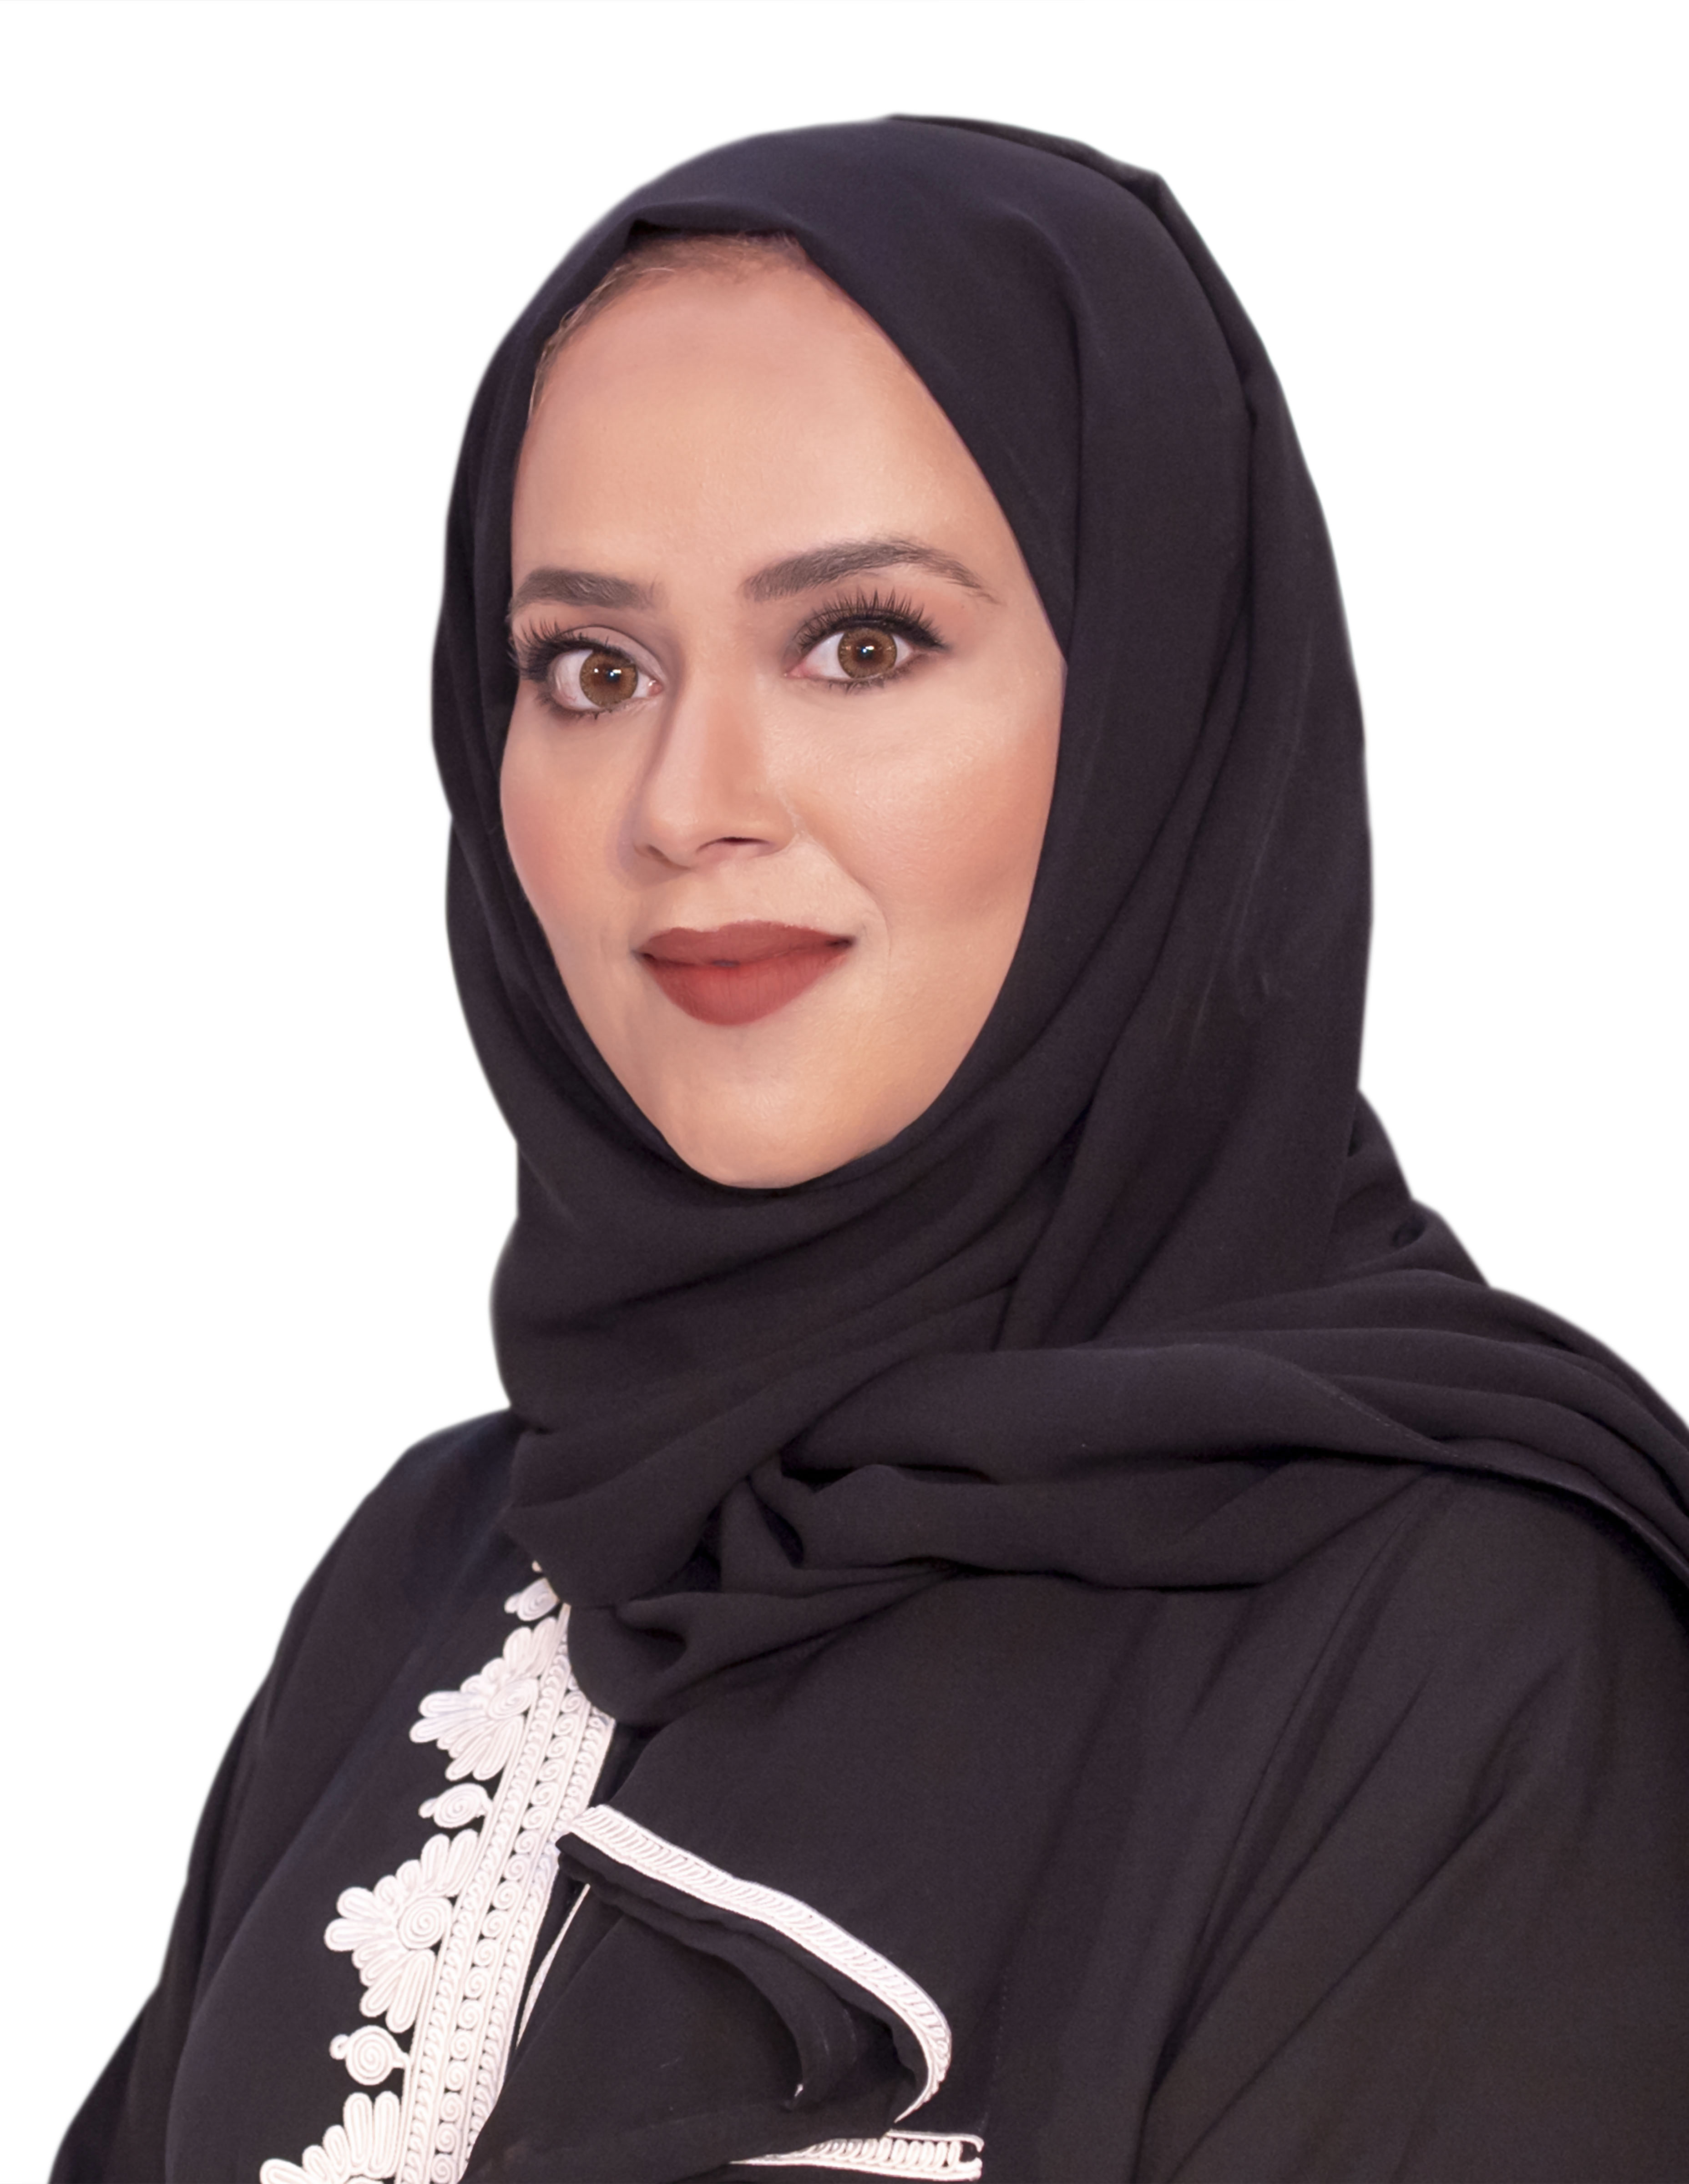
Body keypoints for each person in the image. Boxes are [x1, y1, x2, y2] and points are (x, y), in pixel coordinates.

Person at [54, 116, 1689, 2184]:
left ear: (1161, 714)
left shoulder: (1471, 1653)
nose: (687, 802)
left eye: (861, 643)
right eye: (590, 668)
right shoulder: (443, 1571)